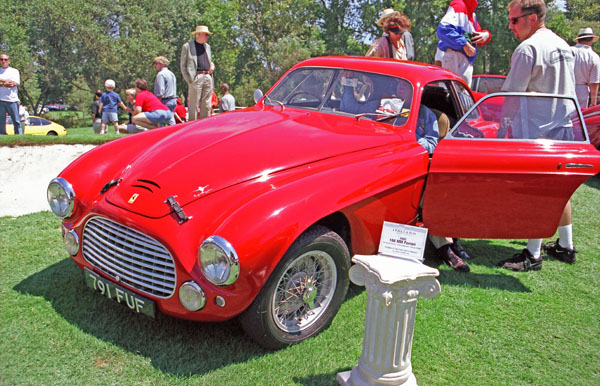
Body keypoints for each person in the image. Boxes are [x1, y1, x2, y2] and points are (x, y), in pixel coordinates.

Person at [496, 0, 578, 272]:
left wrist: (501, 129)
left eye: (514, 20)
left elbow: (511, 95)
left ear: (532, 18)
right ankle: (566, 246)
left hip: (537, 130)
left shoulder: (528, 49)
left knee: (537, 192)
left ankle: (533, 253)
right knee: (559, 190)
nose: (511, 26)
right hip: (563, 126)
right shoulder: (563, 45)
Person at [437, 0, 491, 85]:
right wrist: (464, 44)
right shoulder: (459, 5)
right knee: (450, 95)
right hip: (454, 58)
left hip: (465, 62)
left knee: (461, 95)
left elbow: (479, 37)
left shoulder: (472, 15)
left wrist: (486, 34)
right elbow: (443, 29)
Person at [180, 25, 215, 120]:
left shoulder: (207, 47)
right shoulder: (187, 46)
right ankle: (192, 127)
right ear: (198, 34)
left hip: (208, 76)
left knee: (207, 105)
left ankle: (204, 127)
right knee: (193, 105)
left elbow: (209, 60)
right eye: (206, 35)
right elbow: (183, 66)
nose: (207, 37)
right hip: (196, 77)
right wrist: (189, 80)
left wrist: (212, 66)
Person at [572, 28, 600, 108]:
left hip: (565, 87)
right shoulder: (593, 56)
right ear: (591, 40)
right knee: (577, 116)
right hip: (581, 90)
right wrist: (593, 102)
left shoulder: (568, 51)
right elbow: (594, 82)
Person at [0, 53, 22, 135]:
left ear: (9, 61)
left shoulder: (14, 71)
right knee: (1, 122)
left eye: (5, 59)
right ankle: (2, 136)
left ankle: (19, 136)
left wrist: (1, 81)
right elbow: (9, 83)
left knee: (16, 121)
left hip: (12, 100)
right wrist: (6, 82)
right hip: (1, 100)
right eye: (1, 59)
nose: (3, 61)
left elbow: (13, 83)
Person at [153, 56, 177, 125]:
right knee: (171, 119)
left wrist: (157, 102)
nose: (155, 66)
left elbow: (161, 91)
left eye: (156, 63)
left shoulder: (161, 74)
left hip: (165, 100)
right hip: (173, 100)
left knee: (160, 120)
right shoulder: (171, 74)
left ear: (161, 64)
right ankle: (174, 132)